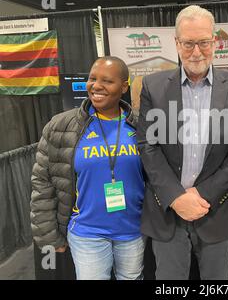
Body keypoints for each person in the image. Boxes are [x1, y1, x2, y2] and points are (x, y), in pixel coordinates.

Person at [137, 5, 228, 280]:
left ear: (214, 41)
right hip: (167, 211)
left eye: (203, 42)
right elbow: (147, 146)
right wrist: (176, 197)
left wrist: (202, 195)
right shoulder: (153, 87)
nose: (196, 51)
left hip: (217, 210)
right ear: (177, 43)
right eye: (188, 43)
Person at [31, 56, 146, 280]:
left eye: (107, 81)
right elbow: (42, 183)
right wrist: (48, 236)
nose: (97, 86)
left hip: (133, 231)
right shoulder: (60, 126)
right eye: (92, 78)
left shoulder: (142, 125)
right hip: (87, 233)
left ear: (124, 87)